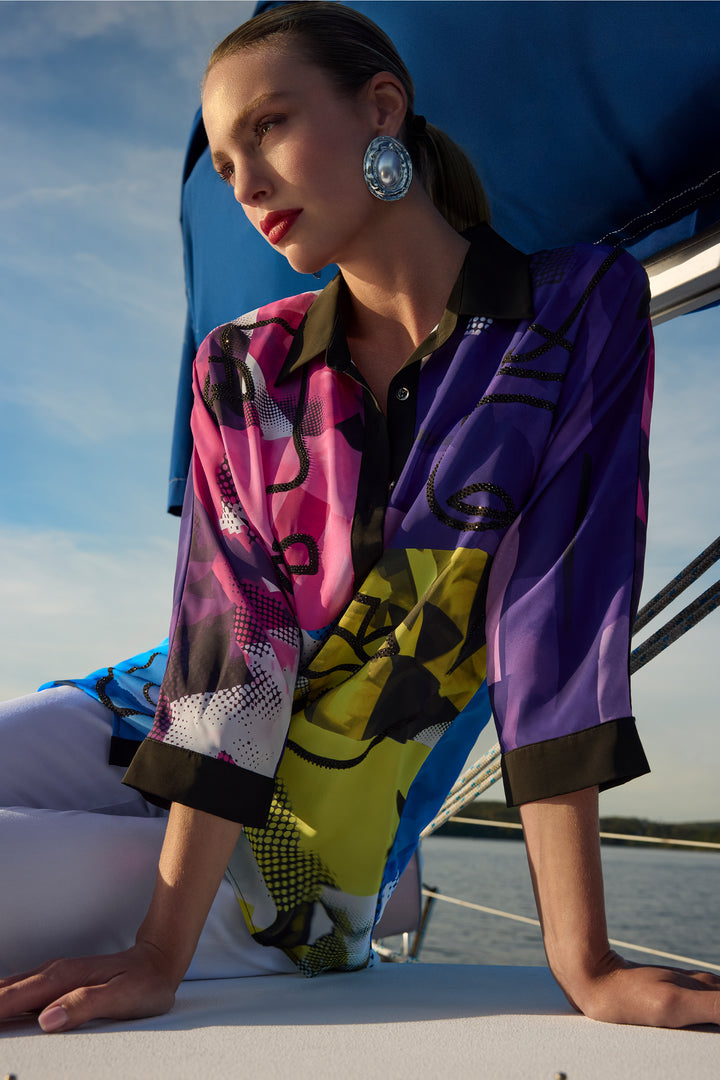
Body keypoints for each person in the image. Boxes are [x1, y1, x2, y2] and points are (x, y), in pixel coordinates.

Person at [1, 1, 718, 1034]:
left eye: (269, 126)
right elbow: (232, 653)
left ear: (382, 108)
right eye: (220, 158)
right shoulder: (241, 365)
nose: (243, 181)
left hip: (296, 855)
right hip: (138, 718)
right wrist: (156, 959)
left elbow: (555, 627)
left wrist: (585, 961)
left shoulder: (573, 312)